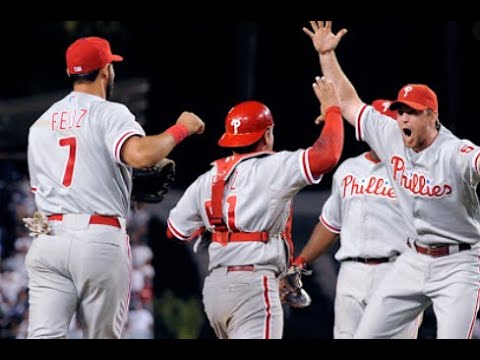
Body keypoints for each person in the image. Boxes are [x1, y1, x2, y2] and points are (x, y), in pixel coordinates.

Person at [303, 21, 480, 339]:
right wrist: (327, 55)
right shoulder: (390, 135)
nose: (403, 118)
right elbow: (347, 101)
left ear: (432, 116)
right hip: (413, 259)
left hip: (459, 263)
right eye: (400, 111)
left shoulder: (456, 152)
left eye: (412, 112)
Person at [24, 36, 205, 339]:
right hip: (97, 239)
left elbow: (47, 189)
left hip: (48, 239)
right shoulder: (109, 112)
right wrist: (182, 127)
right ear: (106, 69)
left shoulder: (39, 124)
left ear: (71, 73)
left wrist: (113, 186)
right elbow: (140, 155)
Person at [166, 79, 344, 339]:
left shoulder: (209, 177)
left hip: (216, 289)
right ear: (267, 133)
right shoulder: (273, 167)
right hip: (254, 284)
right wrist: (333, 111)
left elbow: (176, 232)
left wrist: (222, 228)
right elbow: (327, 155)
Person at [297, 98, 421, 338]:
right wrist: (301, 261)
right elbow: (330, 224)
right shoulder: (348, 169)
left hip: (396, 270)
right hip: (351, 272)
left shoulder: (414, 170)